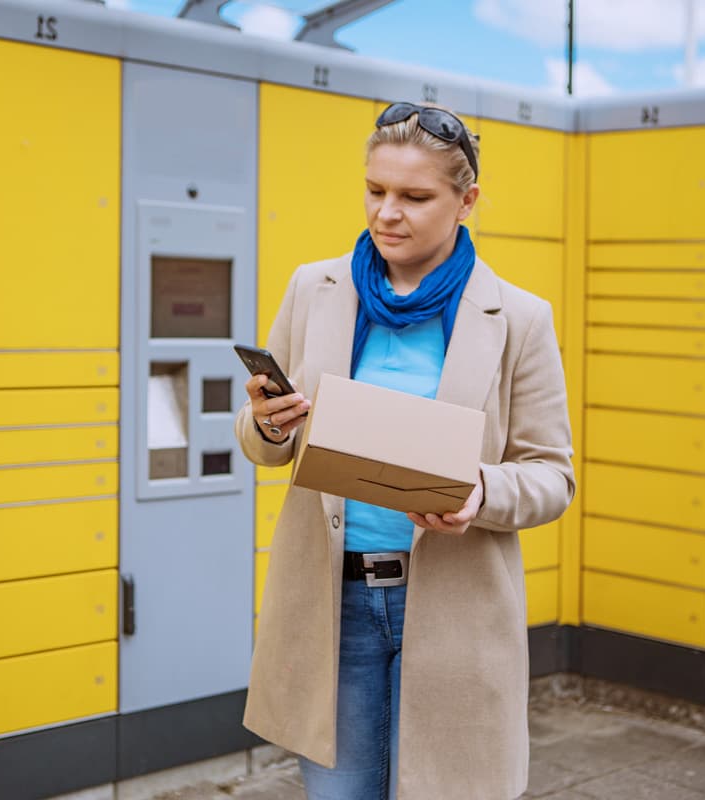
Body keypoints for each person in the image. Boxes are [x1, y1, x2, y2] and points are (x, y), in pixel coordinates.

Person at [234, 101, 575, 800]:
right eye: (376, 190)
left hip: (453, 607)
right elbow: (263, 440)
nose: (387, 213)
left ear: (467, 201)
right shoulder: (314, 289)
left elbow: (552, 476)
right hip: (334, 604)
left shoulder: (518, 318)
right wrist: (269, 425)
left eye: (415, 197)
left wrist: (482, 492)